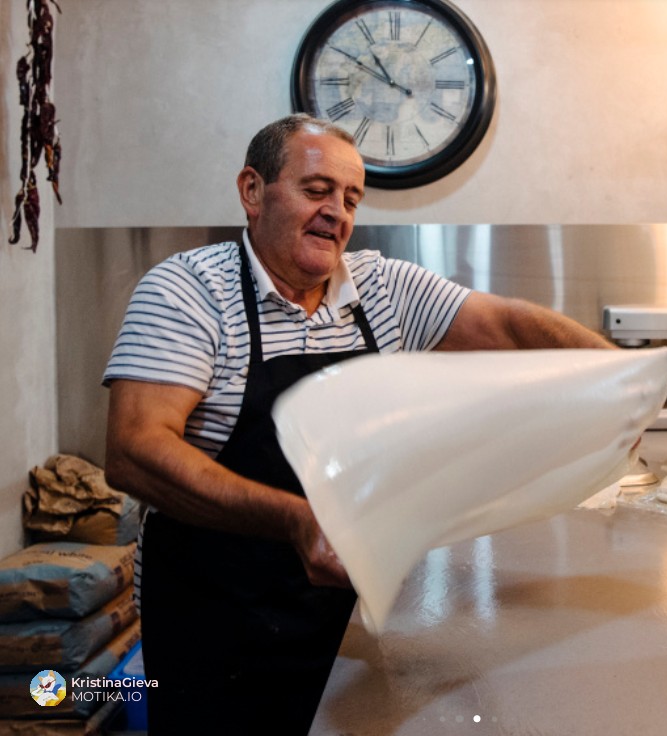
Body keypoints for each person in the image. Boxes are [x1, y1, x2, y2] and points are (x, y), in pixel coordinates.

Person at [103, 113, 615, 735]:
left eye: (350, 198)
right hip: (216, 622)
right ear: (252, 191)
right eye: (316, 190)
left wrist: (618, 377)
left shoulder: (380, 287)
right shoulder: (187, 291)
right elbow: (134, 449)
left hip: (341, 610)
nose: (337, 213)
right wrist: (297, 520)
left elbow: (507, 324)